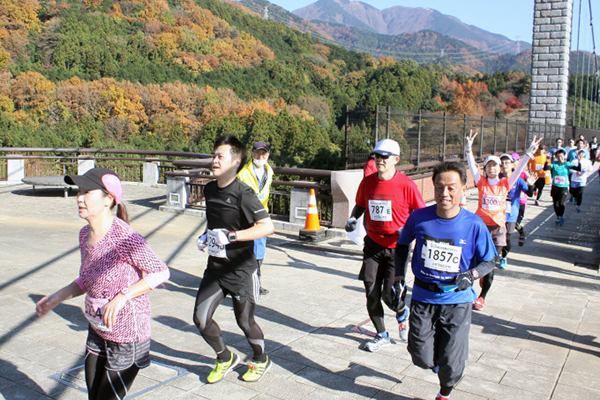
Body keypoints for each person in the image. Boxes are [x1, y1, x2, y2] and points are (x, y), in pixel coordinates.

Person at [36, 168, 170, 400]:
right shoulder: (83, 234)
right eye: (79, 191)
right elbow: (87, 280)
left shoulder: (124, 237)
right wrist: (56, 298)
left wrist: (122, 297)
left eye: (87, 192)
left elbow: (160, 272)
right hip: (98, 329)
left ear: (108, 199)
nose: (79, 197)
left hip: (128, 335)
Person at [395, 161, 497, 400]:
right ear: (433, 187)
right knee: (420, 354)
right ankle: (439, 363)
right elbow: (401, 246)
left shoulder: (474, 224)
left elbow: (489, 261)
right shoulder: (418, 218)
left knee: (452, 357)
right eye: (440, 187)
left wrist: (471, 275)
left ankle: (445, 392)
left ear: (463, 187)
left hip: (457, 299)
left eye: (451, 188)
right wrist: (398, 276)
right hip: (423, 296)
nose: (445, 193)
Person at [194, 134, 275, 383]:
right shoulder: (209, 188)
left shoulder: (243, 193)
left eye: (220, 156)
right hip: (216, 268)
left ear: (236, 162)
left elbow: (266, 227)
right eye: (214, 155)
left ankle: (261, 359)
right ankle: (224, 358)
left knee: (245, 322)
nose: (214, 160)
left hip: (242, 270)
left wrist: (233, 236)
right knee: (200, 318)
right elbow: (217, 224)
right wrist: (206, 237)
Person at [345, 138, 426, 351]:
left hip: (397, 247)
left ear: (396, 160)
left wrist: (408, 230)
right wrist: (353, 219)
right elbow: (360, 205)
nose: (379, 160)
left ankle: (401, 311)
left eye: (384, 156)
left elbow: (421, 214)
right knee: (370, 291)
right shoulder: (368, 182)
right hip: (372, 244)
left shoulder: (407, 185)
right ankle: (381, 334)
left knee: (389, 295)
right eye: (377, 156)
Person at [465, 130, 540, 311]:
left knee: (491, 267)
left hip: (498, 230)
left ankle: (482, 297)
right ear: (485, 168)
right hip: (480, 229)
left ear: (500, 169)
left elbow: (520, 168)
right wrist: (468, 148)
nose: (491, 168)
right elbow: (472, 166)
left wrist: (529, 152)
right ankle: (469, 290)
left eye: (495, 166)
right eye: (488, 165)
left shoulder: (505, 183)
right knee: (473, 263)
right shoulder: (481, 182)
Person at [237, 141, 274, 296]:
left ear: (268, 155)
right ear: (252, 154)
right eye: (257, 153)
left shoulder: (269, 171)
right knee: (244, 254)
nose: (260, 156)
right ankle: (241, 285)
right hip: (245, 218)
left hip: (261, 218)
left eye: (263, 153)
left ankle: (256, 284)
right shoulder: (243, 173)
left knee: (259, 253)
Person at [499, 154, 533, 266]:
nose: (504, 165)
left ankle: (504, 257)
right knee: (497, 237)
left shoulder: (518, 180)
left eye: (507, 162)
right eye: (502, 162)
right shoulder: (497, 178)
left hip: (511, 214)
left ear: (512, 165)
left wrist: (531, 185)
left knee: (507, 238)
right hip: (497, 213)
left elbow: (530, 193)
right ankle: (495, 256)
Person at [545, 149, 581, 225]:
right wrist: (547, 160)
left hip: (563, 187)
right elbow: (546, 168)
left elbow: (578, 169)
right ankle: (558, 216)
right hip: (555, 187)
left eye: (561, 156)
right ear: (556, 158)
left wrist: (579, 161)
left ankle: (561, 216)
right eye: (558, 157)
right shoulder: (554, 164)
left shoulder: (567, 164)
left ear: (564, 156)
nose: (560, 158)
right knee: (555, 203)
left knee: (561, 203)